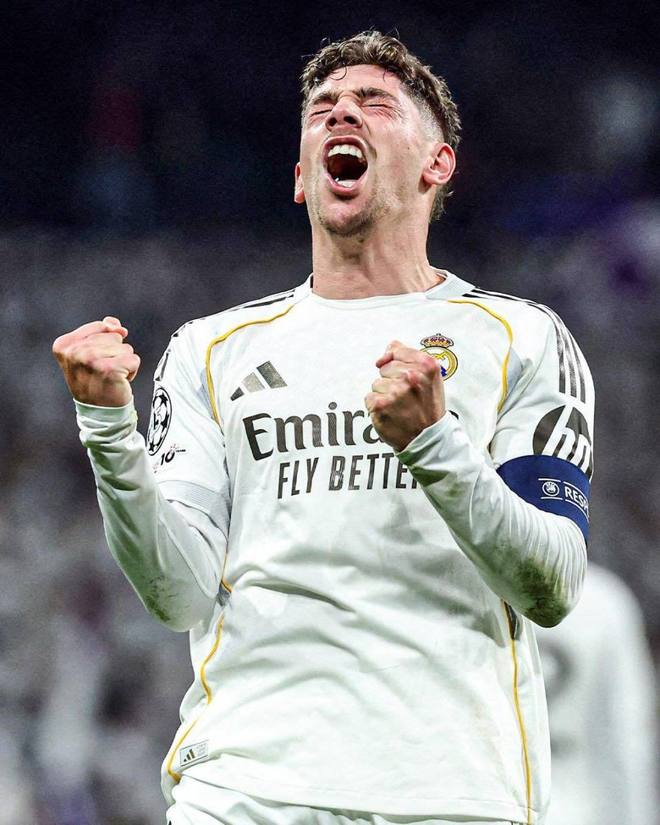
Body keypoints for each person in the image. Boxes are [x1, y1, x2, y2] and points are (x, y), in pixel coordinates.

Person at [53, 31, 595, 825]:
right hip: (242, 790)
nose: (342, 113)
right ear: (301, 177)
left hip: (448, 793)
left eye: (375, 103)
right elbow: (176, 593)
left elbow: (553, 584)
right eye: (323, 109)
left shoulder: (521, 337)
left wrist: (435, 445)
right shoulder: (211, 350)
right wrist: (107, 425)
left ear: (437, 163)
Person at [536, 563, 658, 825]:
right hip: (575, 808)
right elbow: (627, 735)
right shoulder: (603, 600)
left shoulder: (471, 591)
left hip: (484, 804)